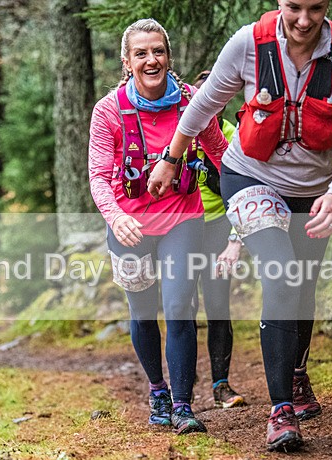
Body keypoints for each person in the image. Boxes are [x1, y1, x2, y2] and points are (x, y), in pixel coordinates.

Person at [148, 0, 332, 451]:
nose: (304, 21)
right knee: (282, 273)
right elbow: (201, 106)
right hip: (251, 177)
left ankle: (297, 371)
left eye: (315, 8)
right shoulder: (249, 43)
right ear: (278, 4)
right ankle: (281, 410)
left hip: (315, 189)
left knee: (302, 285)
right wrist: (171, 160)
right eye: (294, 7)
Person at [88, 19, 228, 434]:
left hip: (183, 217)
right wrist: (116, 216)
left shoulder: (192, 102)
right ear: (127, 62)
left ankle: (184, 405)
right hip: (129, 224)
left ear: (169, 55)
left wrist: (245, 200)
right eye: (141, 53)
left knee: (180, 307)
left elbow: (219, 152)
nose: (152, 60)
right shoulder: (108, 110)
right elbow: (98, 175)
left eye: (158, 51)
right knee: (142, 313)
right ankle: (158, 390)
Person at [191, 70, 246, 409]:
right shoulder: (179, 134)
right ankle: (181, 386)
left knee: (217, 308)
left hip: (217, 228)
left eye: (218, 98)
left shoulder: (232, 136)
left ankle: (221, 384)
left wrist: (233, 239)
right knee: (181, 308)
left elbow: (239, 190)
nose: (210, 104)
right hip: (180, 229)